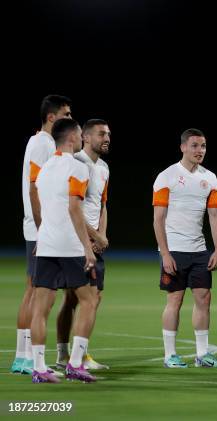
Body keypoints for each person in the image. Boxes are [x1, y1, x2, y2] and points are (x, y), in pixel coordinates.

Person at [30, 118, 98, 383]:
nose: (82, 138)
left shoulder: (45, 168)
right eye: (81, 134)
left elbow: (42, 203)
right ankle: (75, 363)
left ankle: (39, 368)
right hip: (69, 246)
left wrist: (41, 235)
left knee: (41, 309)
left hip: (46, 244)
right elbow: (73, 209)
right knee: (89, 301)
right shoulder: (78, 168)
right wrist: (87, 248)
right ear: (72, 138)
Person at [152, 128, 217, 369]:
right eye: (195, 146)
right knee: (174, 300)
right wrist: (164, 253)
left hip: (199, 249)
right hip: (174, 249)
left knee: (204, 299)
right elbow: (158, 218)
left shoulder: (210, 178)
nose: (200, 151)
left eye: (203, 146)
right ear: (183, 147)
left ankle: (202, 355)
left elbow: (214, 215)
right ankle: (170, 355)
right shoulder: (167, 176)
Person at [11, 95, 72, 376]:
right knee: (35, 290)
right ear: (51, 117)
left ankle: (24, 356)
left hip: (41, 227)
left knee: (35, 290)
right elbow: (35, 188)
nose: (70, 119)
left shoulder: (45, 143)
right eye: (66, 114)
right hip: (40, 228)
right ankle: (23, 357)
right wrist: (43, 227)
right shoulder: (41, 144)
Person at [55, 119, 111, 371]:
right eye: (101, 134)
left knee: (91, 297)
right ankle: (67, 355)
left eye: (108, 133)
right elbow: (71, 207)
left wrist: (101, 234)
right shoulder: (76, 163)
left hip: (94, 242)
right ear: (86, 137)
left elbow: (102, 205)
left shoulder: (104, 168)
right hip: (75, 240)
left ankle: (75, 354)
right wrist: (93, 237)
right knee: (76, 299)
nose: (107, 138)